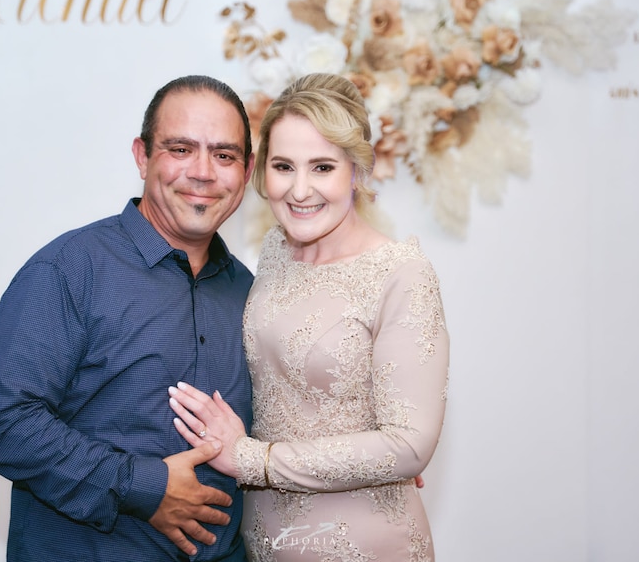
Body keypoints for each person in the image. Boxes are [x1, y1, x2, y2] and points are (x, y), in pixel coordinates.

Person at [168, 72, 450, 561]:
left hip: (361, 539)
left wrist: (252, 459)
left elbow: (409, 445)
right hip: (264, 539)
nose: (299, 190)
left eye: (322, 167)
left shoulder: (402, 273)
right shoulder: (276, 252)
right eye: (283, 166)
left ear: (357, 171)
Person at [0, 75, 255, 562]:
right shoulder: (69, 270)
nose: (204, 172)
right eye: (181, 149)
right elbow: (4, 425)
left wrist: (368, 459)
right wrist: (146, 487)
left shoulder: (250, 292)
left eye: (224, 155)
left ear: (247, 171)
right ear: (142, 156)